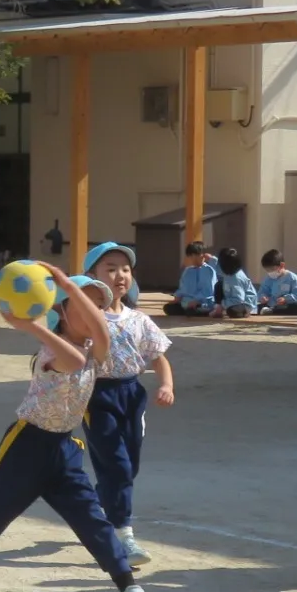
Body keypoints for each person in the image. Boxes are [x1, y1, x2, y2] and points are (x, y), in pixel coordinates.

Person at [0, 267, 158, 592]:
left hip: (64, 450)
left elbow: (98, 334)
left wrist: (66, 286)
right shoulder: (51, 349)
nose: (95, 314)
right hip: (25, 448)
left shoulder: (97, 348)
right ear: (60, 311)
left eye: (98, 307)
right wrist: (28, 323)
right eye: (83, 304)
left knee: (93, 520)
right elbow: (74, 361)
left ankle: (128, 587)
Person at [81, 242, 173, 567]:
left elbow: (158, 358)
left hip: (132, 396)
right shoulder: (85, 319)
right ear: (91, 276)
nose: (119, 275)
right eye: (110, 268)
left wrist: (165, 384)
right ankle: (124, 536)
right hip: (98, 396)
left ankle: (95, 505)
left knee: (127, 468)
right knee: (117, 466)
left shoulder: (139, 320)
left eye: (125, 268)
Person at [163, 241, 218, 317]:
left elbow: (208, 291)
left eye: (193, 255)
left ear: (201, 255)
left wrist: (197, 301)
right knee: (168, 308)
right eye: (190, 255)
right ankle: (186, 309)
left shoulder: (208, 270)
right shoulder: (188, 270)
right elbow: (183, 287)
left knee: (192, 311)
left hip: (203, 302)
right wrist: (178, 297)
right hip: (187, 302)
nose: (191, 258)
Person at [213, 246, 257, 319]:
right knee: (218, 285)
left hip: (244, 303)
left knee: (232, 311)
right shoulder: (228, 274)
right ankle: (218, 309)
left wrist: (223, 304)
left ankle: (245, 312)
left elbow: (238, 299)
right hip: (230, 299)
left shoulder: (237, 278)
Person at [258, 249, 297, 316]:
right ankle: (270, 310)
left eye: (272, 269)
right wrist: (263, 297)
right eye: (267, 270)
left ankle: (272, 311)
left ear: (282, 265)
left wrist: (285, 299)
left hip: (286, 305)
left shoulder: (293, 278)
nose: (270, 272)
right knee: (258, 307)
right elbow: (263, 291)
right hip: (271, 304)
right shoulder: (268, 279)